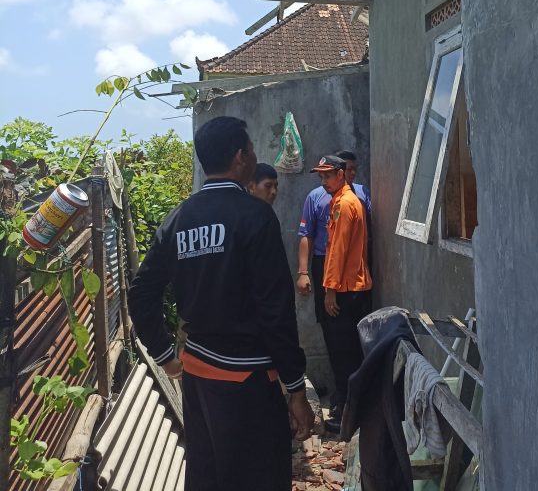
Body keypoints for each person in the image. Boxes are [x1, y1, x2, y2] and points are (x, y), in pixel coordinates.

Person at [128, 116, 314, 491]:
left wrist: (165, 355)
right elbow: (275, 311)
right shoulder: (255, 216)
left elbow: (141, 293)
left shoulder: (177, 220)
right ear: (240, 156)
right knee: (259, 479)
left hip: (198, 377)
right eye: (252, 149)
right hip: (248, 381)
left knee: (208, 476)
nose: (255, 156)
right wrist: (296, 388)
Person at [296, 150, 371, 427]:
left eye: (328, 176)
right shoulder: (342, 199)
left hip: (344, 288)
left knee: (344, 351)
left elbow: (337, 251)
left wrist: (330, 290)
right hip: (348, 284)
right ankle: (349, 408)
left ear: (342, 175)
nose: (324, 182)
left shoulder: (345, 203)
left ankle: (348, 413)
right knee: (345, 348)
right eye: (322, 177)